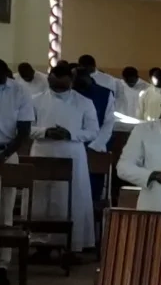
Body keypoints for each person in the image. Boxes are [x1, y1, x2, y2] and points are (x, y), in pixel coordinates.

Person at [29, 63, 109, 253]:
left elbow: (92, 132)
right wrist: (45, 131)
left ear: (71, 82)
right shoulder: (35, 100)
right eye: (54, 84)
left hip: (72, 154)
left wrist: (69, 134)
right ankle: (40, 245)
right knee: (42, 199)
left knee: (72, 199)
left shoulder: (84, 102)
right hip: (42, 152)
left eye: (62, 86)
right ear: (48, 80)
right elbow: (25, 128)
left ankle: (72, 245)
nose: (57, 89)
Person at [0, 58, 35, 154]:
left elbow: (24, 130)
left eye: (1, 76)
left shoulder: (20, 91)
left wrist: (4, 155)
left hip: (7, 150)